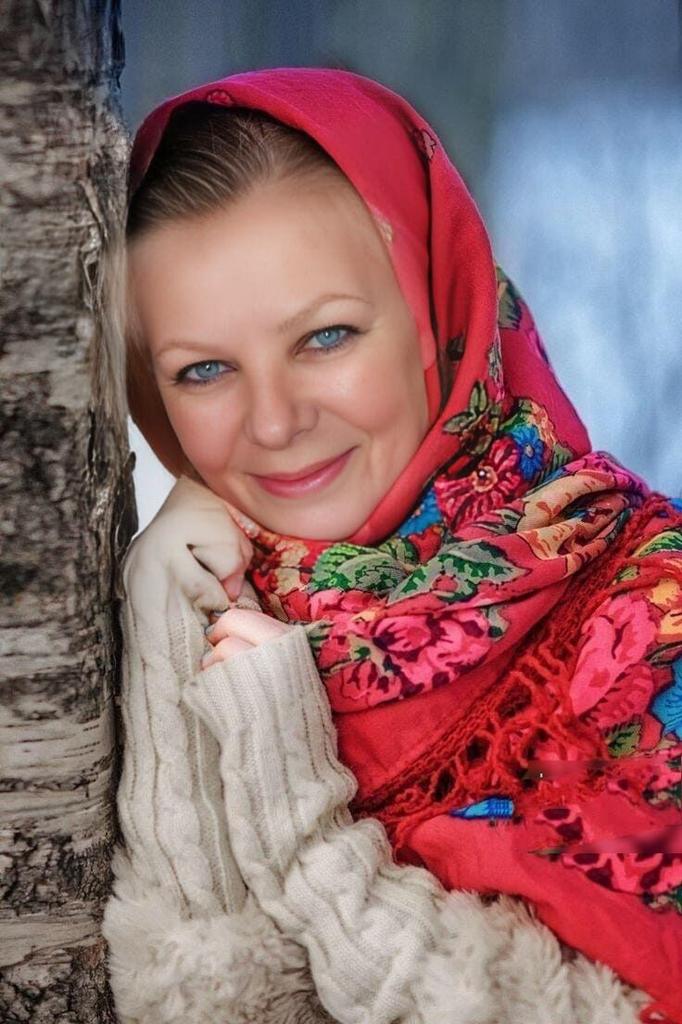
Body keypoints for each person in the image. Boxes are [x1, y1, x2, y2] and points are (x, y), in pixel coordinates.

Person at [102, 67, 682, 1024]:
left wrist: (304, 827)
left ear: (436, 317)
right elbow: (195, 993)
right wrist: (168, 620)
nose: (274, 422)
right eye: (203, 371)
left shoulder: (651, 605)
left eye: (325, 337)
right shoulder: (205, 609)